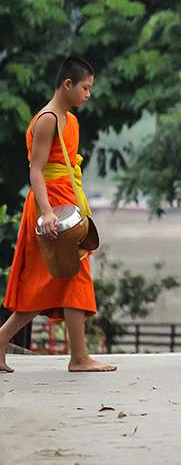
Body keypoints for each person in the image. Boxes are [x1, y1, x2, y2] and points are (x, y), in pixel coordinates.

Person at [1, 57, 116, 373]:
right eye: (85, 87)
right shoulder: (47, 119)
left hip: (68, 201)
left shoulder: (71, 120)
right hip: (49, 206)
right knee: (54, 278)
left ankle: (74, 355)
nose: (88, 94)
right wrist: (48, 213)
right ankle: (78, 358)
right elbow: (36, 170)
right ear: (67, 84)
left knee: (64, 278)